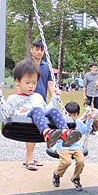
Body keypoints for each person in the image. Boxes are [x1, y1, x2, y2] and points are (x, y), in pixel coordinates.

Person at [0, 58, 81, 171]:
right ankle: (47, 134)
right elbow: (6, 112)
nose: (31, 86)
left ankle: (65, 133)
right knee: (36, 109)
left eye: (34, 83)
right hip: (24, 124)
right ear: (17, 82)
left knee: (53, 111)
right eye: (27, 83)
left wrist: (55, 97)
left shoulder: (38, 97)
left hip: (39, 124)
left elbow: (47, 110)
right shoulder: (13, 99)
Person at [51, 101, 98, 191]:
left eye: (74, 115)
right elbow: (54, 136)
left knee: (81, 161)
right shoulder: (60, 123)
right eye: (69, 115)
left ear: (77, 114)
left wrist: (89, 120)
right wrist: (53, 146)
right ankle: (57, 174)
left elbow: (86, 130)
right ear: (64, 114)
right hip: (62, 146)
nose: (71, 117)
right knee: (67, 162)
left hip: (75, 147)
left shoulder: (79, 123)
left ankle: (75, 178)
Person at [25, 40, 56, 168]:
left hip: (41, 101)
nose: (39, 52)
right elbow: (21, 82)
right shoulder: (26, 65)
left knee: (39, 128)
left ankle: (30, 157)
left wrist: (54, 97)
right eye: (36, 49)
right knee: (32, 129)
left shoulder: (46, 66)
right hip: (29, 100)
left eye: (41, 50)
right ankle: (29, 159)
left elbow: (50, 84)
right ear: (32, 50)